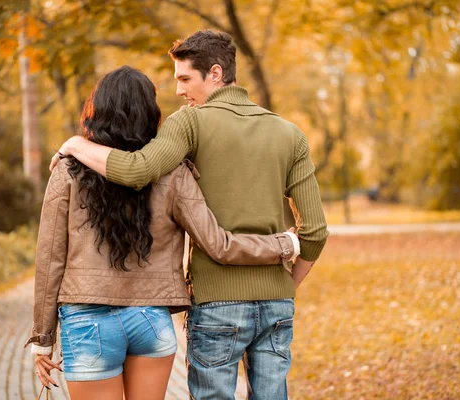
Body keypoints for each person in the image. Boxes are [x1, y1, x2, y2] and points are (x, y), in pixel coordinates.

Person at [50, 30, 329, 399]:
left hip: (217, 301)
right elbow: (316, 231)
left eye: (184, 78)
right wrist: (285, 287)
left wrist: (76, 144)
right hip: (276, 301)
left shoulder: (189, 122)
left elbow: (137, 170)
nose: (179, 91)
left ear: (215, 73)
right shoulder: (290, 133)